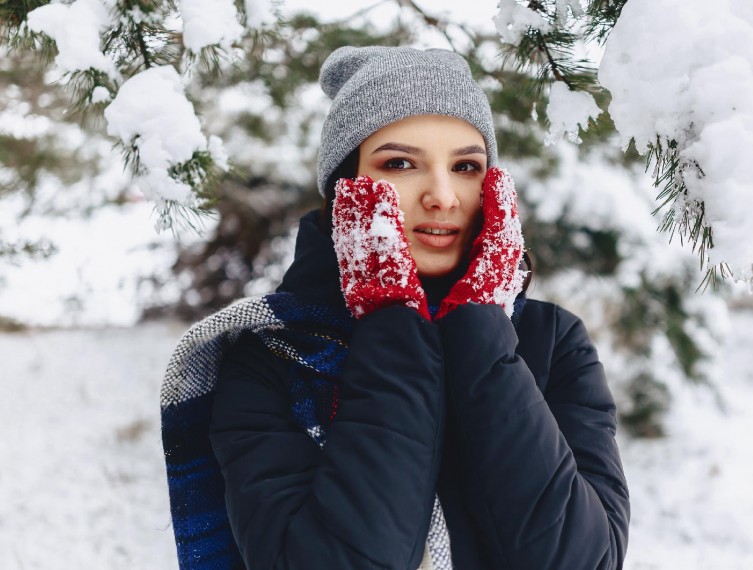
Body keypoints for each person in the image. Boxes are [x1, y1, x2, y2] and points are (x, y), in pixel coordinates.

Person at [160, 46, 630, 570]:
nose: (443, 195)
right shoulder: (271, 357)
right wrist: (393, 322)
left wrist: (478, 325)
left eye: (467, 166)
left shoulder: (552, 341)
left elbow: (583, 560)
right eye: (400, 163)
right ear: (347, 190)